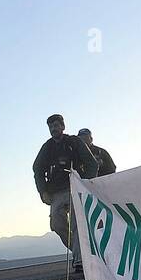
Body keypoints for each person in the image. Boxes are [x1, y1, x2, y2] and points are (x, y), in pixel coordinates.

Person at [33, 114, 99, 270]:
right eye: (51, 127)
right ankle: (82, 250)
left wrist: (86, 183)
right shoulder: (47, 147)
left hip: (75, 187)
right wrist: (43, 191)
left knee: (77, 224)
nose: (54, 129)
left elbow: (92, 163)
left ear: (63, 126)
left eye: (56, 125)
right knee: (56, 224)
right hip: (56, 191)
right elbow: (37, 169)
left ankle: (79, 261)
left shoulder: (74, 142)